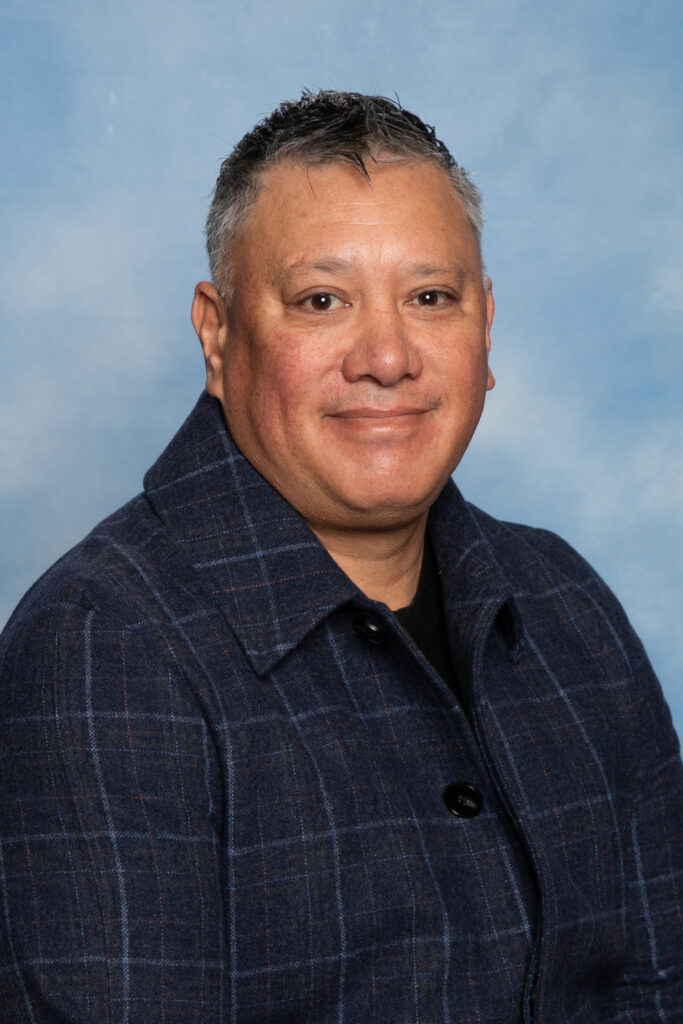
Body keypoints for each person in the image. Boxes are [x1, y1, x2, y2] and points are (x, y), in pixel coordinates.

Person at [0, 90, 681, 1023]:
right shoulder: (102, 649)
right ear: (217, 334)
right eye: (322, 301)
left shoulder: (564, 601)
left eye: (429, 298)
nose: (387, 358)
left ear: (484, 326)